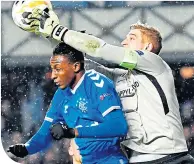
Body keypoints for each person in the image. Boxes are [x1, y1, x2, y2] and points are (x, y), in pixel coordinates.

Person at [27, 6, 194, 163]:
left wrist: (59, 30)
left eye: (132, 38)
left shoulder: (155, 65)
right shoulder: (118, 77)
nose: (123, 42)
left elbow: (101, 49)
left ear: (147, 47)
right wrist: (50, 35)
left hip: (170, 157)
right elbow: (78, 65)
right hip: (136, 159)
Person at [7, 42, 128, 164]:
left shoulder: (97, 83)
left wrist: (73, 132)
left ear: (75, 67)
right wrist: (27, 148)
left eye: (58, 69)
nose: (53, 75)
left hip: (110, 159)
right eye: (52, 70)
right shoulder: (61, 94)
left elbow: (119, 126)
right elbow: (46, 132)